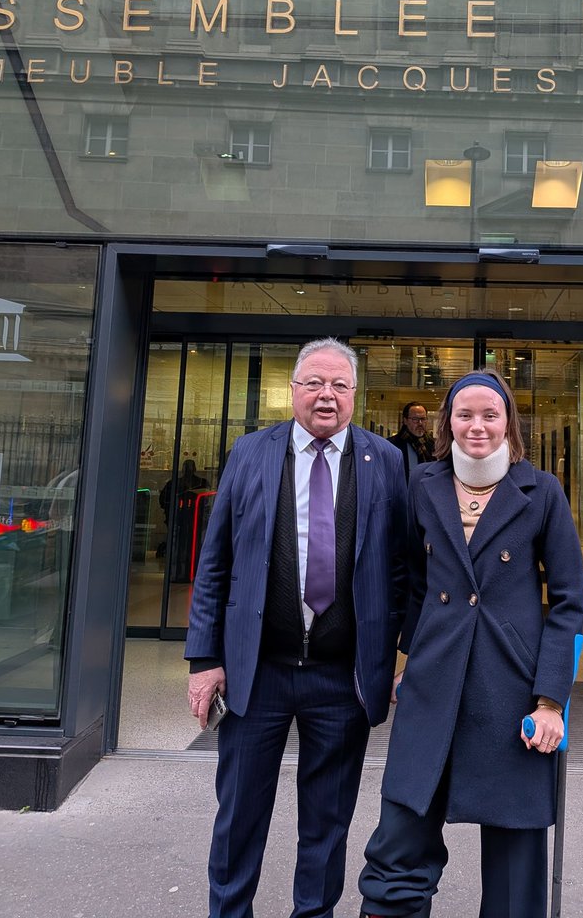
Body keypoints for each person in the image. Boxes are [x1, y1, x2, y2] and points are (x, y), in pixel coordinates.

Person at [185, 336, 408, 918]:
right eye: (314, 383)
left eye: (339, 385)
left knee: (327, 824)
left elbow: (399, 570)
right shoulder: (250, 453)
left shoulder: (384, 461)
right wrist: (204, 659)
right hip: (256, 672)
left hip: (340, 678)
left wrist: (393, 661)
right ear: (293, 391)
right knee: (238, 816)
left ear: (356, 394)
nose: (326, 395)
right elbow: (216, 562)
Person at [358, 370, 583, 918]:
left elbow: (569, 604)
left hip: (511, 689)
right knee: (399, 839)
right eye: (465, 414)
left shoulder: (541, 491)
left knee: (515, 860)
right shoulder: (423, 485)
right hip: (431, 684)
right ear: (447, 423)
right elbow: (416, 583)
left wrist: (551, 700)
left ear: (509, 422)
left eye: (490, 414)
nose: (477, 425)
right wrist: (408, 662)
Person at [387, 402, 435, 480]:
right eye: (415, 419)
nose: (420, 423)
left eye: (423, 419)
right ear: (405, 421)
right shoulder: (392, 445)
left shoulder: (432, 444)